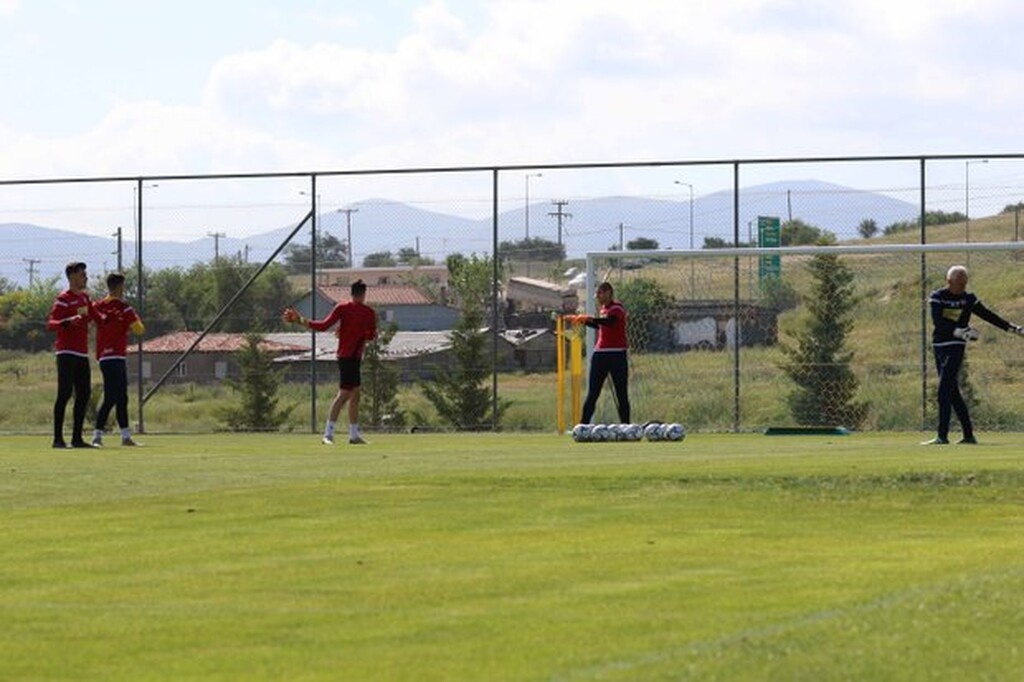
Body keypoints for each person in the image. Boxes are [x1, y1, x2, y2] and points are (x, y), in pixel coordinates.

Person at [922, 264, 1023, 445]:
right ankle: (968, 435)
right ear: (949, 281)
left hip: (955, 346)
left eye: (964, 283)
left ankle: (942, 436)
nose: (962, 287)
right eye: (959, 284)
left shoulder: (968, 298)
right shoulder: (938, 297)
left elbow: (988, 315)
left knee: (944, 388)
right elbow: (938, 322)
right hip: (939, 345)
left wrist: (1012, 328)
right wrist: (959, 331)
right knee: (952, 391)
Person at [282, 279, 377, 445]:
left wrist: (300, 320)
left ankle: (353, 435)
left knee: (355, 394)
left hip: (346, 356)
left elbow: (323, 326)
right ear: (364, 294)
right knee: (345, 394)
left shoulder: (342, 308)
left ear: (351, 293)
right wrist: (358, 332)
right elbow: (371, 336)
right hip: (352, 357)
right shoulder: (369, 313)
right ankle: (328, 434)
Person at [46, 262, 100, 448]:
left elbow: (96, 316)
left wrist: (110, 317)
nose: (85, 277)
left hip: (82, 353)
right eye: (82, 274)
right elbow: (51, 324)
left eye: (85, 274)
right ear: (71, 276)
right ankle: (57, 439)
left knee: (84, 394)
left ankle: (77, 439)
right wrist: (67, 321)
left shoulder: (85, 298)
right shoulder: (63, 299)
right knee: (65, 393)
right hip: (66, 352)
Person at [91, 273, 145, 447]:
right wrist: (132, 319)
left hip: (105, 357)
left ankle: (125, 436)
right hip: (116, 357)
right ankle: (97, 436)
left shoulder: (98, 306)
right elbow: (139, 329)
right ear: (120, 286)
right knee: (112, 397)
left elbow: (88, 318)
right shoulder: (124, 308)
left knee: (121, 397)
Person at [572, 281, 631, 424]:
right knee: (593, 393)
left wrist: (589, 318)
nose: (597, 296)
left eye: (600, 293)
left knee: (621, 393)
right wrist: (582, 321)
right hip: (600, 354)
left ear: (608, 293)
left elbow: (609, 322)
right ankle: (583, 425)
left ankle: (626, 426)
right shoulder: (603, 309)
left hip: (616, 354)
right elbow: (600, 326)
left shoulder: (617, 309)